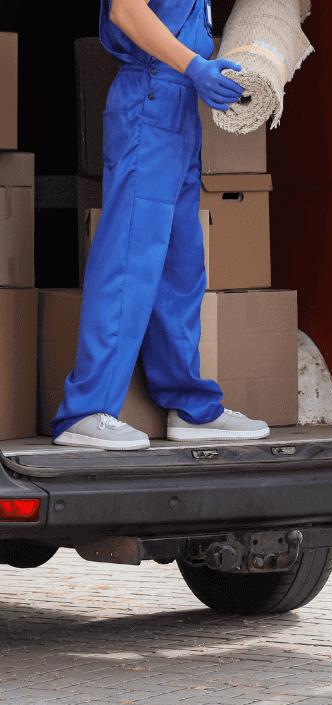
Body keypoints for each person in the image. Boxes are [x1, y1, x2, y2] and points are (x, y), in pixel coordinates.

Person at [52, 0, 271, 450]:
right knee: (128, 261)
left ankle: (189, 405)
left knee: (180, 268)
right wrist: (195, 67)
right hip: (150, 98)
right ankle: (86, 411)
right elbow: (125, 11)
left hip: (180, 106)